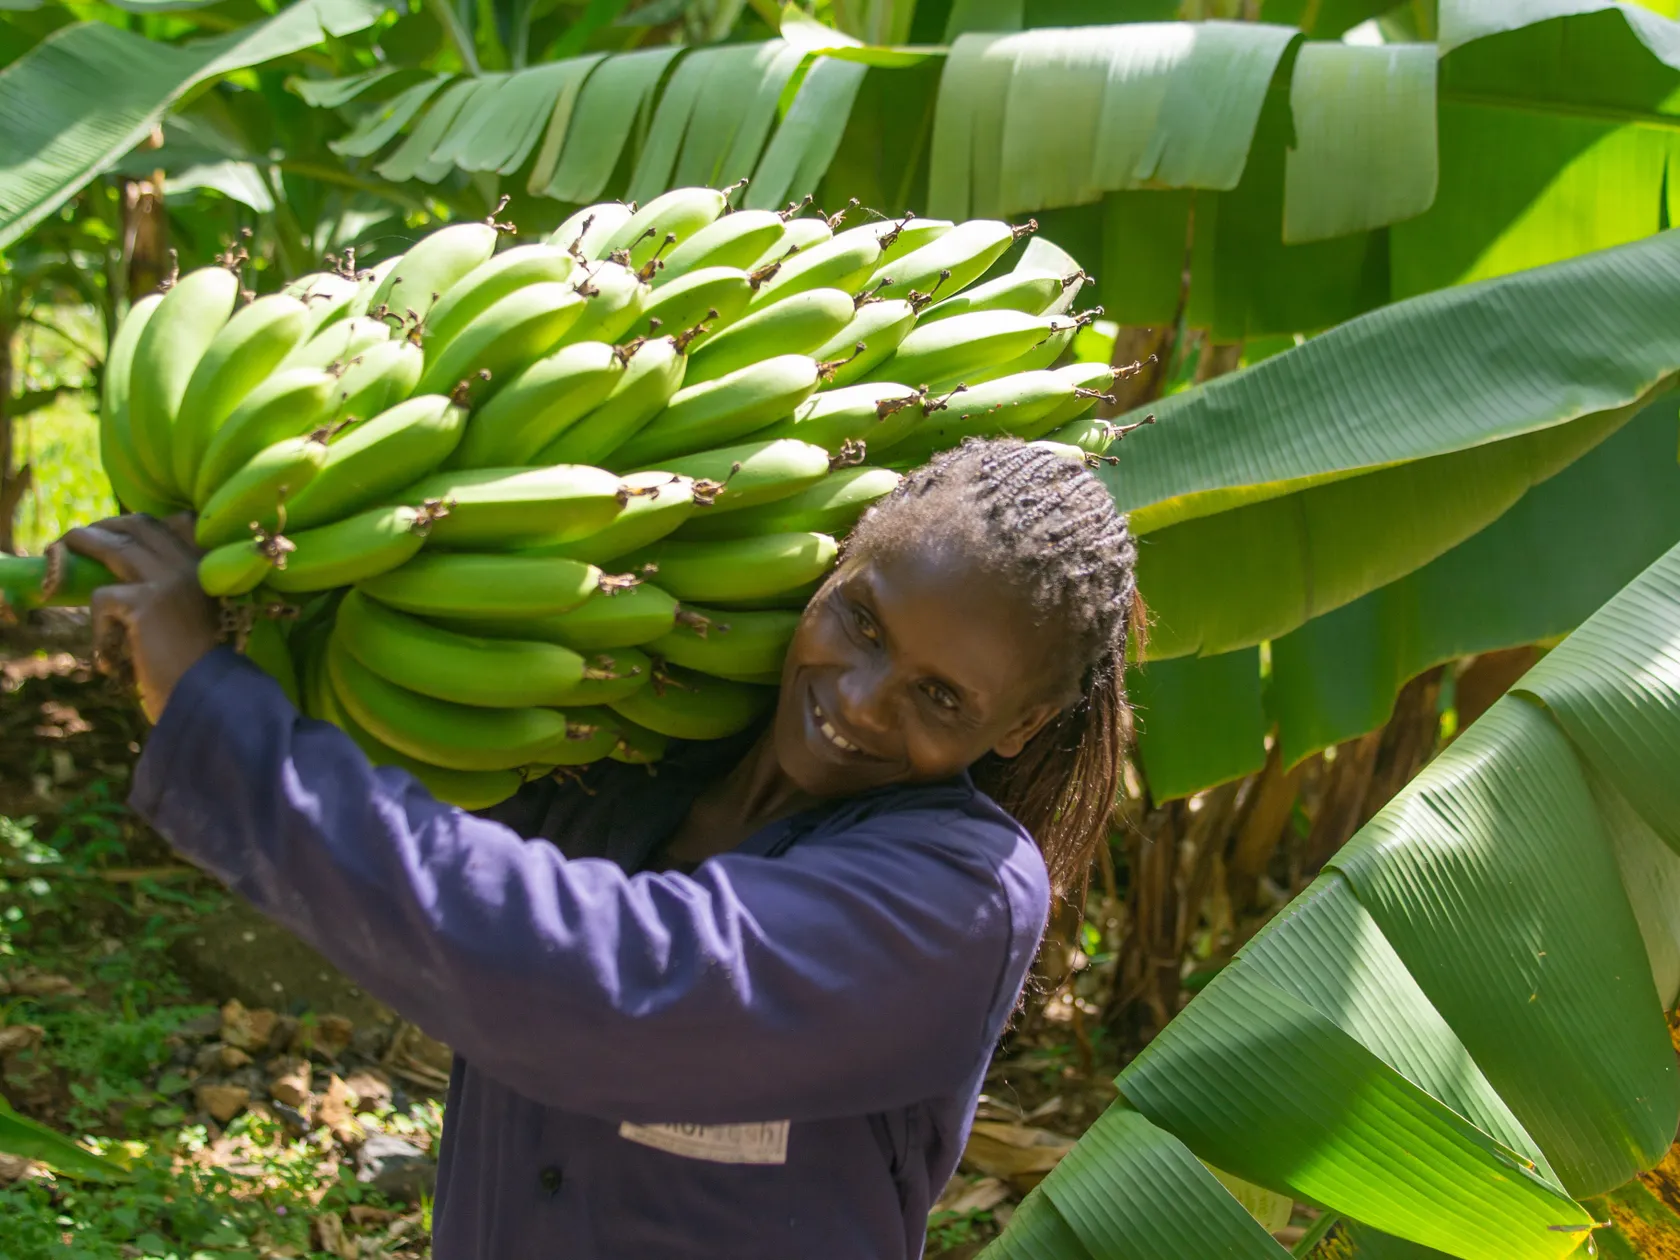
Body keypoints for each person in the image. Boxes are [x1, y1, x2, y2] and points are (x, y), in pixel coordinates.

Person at [63, 436, 1142, 1260]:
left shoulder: (957, 898)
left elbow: (616, 984)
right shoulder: (615, 759)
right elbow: (414, 848)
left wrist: (219, 720)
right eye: (862, 621)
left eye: (940, 697)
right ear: (845, 553)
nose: (859, 701)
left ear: (1017, 730)